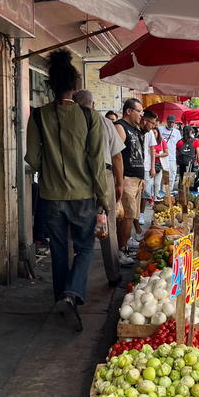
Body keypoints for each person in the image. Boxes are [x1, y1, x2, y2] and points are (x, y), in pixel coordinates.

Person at [25, 50, 108, 331]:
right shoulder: (89, 116)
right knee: (84, 248)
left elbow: (32, 159)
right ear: (74, 86)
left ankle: (61, 298)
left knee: (59, 250)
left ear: (50, 85)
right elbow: (97, 161)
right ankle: (72, 294)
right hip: (83, 196)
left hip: (50, 195)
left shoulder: (37, 117)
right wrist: (104, 198)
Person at [72, 89, 125, 288]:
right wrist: (119, 183)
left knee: (78, 226)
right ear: (93, 104)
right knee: (108, 227)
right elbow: (117, 156)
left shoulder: (71, 123)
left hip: (79, 178)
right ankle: (113, 274)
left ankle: (76, 279)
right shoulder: (105, 123)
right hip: (105, 175)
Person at [113, 98, 146, 265]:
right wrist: (119, 181)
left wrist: (143, 179)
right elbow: (117, 155)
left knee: (130, 215)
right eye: (139, 111)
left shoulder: (135, 129)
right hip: (126, 179)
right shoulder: (120, 126)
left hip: (137, 180)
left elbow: (140, 154)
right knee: (127, 216)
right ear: (129, 111)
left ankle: (124, 245)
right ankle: (121, 250)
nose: (141, 114)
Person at [138, 109, 159, 226]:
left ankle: (141, 213)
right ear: (145, 120)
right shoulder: (136, 130)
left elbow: (152, 150)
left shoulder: (150, 133)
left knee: (145, 193)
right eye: (152, 123)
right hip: (136, 167)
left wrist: (152, 167)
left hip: (146, 166)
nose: (154, 126)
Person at [157, 114, 182, 193]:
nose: (171, 124)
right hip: (161, 156)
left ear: (175, 123)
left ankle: (168, 193)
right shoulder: (160, 129)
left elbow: (179, 145)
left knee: (172, 176)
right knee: (162, 177)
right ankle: (160, 193)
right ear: (166, 122)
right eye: (170, 122)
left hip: (172, 157)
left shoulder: (177, 132)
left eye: (173, 123)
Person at [151, 126, 168, 200]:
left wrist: (158, 155)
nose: (153, 134)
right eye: (151, 133)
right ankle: (150, 197)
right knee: (150, 183)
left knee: (157, 183)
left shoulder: (162, 142)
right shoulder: (148, 141)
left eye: (154, 133)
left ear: (158, 133)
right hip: (149, 164)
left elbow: (166, 153)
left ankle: (155, 198)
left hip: (159, 164)